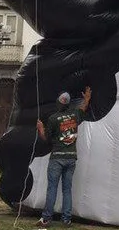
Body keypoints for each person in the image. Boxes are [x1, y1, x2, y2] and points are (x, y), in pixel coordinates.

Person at [37, 87, 92, 227]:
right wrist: (87, 98)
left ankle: (46, 219)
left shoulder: (53, 119)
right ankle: (66, 219)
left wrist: (41, 129)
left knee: (52, 188)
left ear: (58, 103)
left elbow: (46, 139)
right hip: (71, 158)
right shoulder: (74, 116)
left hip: (57, 158)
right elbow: (83, 108)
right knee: (67, 189)